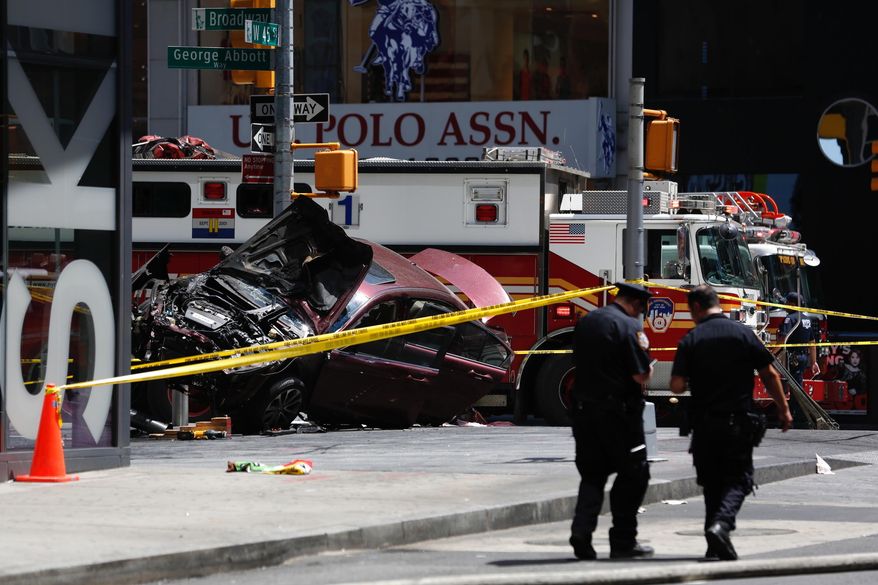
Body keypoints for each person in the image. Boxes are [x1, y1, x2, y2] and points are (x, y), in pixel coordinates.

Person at [670, 285, 792, 561]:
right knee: (739, 480)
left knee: (712, 484)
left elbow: (676, 386)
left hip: (703, 425)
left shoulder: (691, 338)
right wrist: (783, 409)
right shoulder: (743, 334)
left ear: (697, 308)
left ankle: (715, 543)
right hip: (737, 422)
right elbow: (770, 374)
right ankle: (721, 527)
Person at [569, 282, 655, 561]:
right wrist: (649, 368)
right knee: (634, 474)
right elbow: (640, 375)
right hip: (619, 416)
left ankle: (581, 532)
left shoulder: (588, 321)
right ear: (636, 304)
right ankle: (623, 540)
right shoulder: (629, 327)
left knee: (592, 475)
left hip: (584, 411)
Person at [777, 292, 820, 426]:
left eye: (786, 302)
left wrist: (771, 353)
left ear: (792, 304)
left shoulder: (789, 319)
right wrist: (813, 362)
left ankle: (800, 417)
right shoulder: (807, 319)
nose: (784, 305)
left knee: (794, 388)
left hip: (791, 357)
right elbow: (812, 343)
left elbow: (782, 340)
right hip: (802, 357)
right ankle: (797, 416)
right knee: (797, 385)